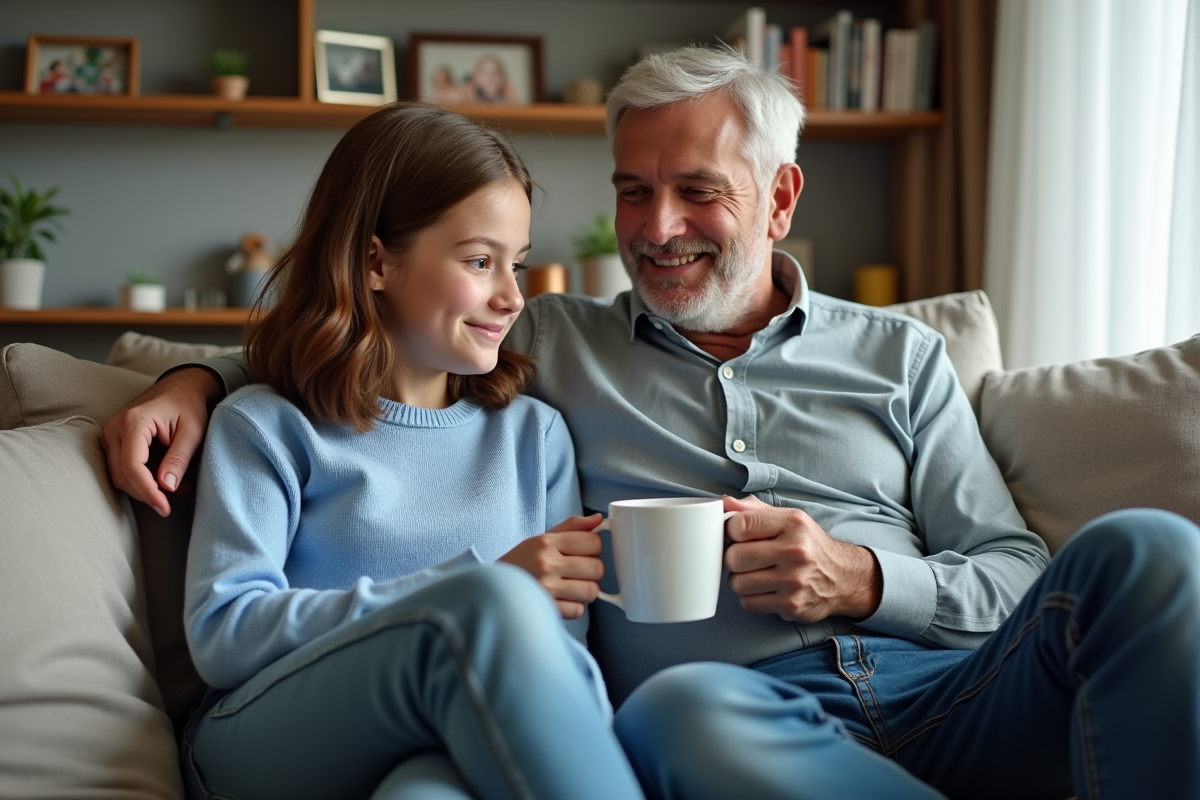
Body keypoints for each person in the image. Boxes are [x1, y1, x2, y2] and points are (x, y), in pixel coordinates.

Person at [104, 48, 1200, 800]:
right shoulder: (550, 343)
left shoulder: (902, 356)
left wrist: (866, 579)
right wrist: (191, 379)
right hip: (734, 721)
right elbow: (369, 346)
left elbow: (1013, 570)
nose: (657, 227)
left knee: (1152, 552)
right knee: (679, 708)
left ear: (779, 199)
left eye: (696, 190)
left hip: (951, 693)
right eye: (633, 190)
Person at [174, 103, 643, 800]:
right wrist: (471, 588)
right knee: (490, 604)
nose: (513, 297)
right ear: (375, 262)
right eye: (480, 261)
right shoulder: (266, 427)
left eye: (516, 264)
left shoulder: (535, 436)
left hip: (445, 739)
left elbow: (563, 662)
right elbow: (225, 634)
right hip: (265, 740)